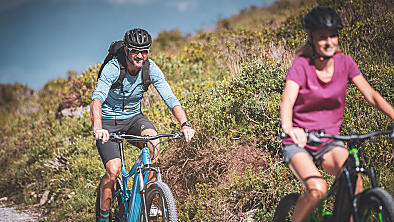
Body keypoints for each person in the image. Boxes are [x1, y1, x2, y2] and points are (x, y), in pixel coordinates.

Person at [279, 7, 394, 222]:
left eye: (333, 36)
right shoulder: (301, 66)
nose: (329, 41)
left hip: (329, 142)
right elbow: (287, 100)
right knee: (317, 188)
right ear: (311, 38)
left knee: (354, 179)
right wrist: (290, 128)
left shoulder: (345, 62)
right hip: (300, 141)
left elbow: (371, 95)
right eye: (323, 37)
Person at [90, 28, 195, 222]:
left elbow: (170, 97)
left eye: (145, 51)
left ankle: (150, 200)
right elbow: (97, 98)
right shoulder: (113, 68)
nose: (140, 56)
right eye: (135, 51)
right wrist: (98, 127)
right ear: (127, 50)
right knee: (113, 170)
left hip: (133, 119)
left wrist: (185, 123)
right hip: (107, 122)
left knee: (154, 146)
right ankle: (104, 217)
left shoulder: (150, 68)